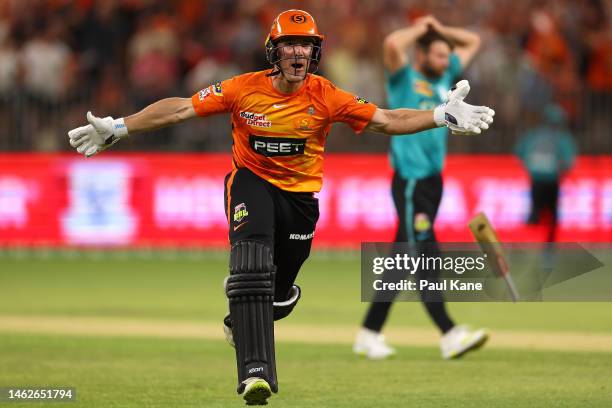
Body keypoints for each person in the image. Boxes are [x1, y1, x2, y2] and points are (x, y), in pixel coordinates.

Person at [67, 10, 494, 406]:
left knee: (278, 293)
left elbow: (386, 120)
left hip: (301, 201)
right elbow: (179, 108)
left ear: (315, 52)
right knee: (251, 265)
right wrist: (119, 128)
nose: (297, 52)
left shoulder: (326, 95)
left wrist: (439, 114)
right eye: (289, 44)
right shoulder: (241, 88)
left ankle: (244, 317)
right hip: (251, 183)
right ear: (274, 51)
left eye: (305, 45)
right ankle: (256, 374)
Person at [354, 16, 489, 361]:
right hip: (411, 181)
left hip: (433, 180)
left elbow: (472, 41)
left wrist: (439, 31)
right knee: (425, 253)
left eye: (447, 56)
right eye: (440, 55)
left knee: (401, 257)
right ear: (422, 56)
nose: (447, 61)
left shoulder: (445, 77)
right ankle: (449, 333)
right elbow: (391, 45)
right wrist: (422, 28)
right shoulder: (404, 77)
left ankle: (369, 333)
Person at [516, 104, 576, 242]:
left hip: (536, 180)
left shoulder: (532, 135)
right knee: (552, 217)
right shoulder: (561, 138)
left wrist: (532, 167)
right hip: (552, 181)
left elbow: (520, 153)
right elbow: (568, 161)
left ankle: (528, 245)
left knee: (535, 213)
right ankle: (548, 248)